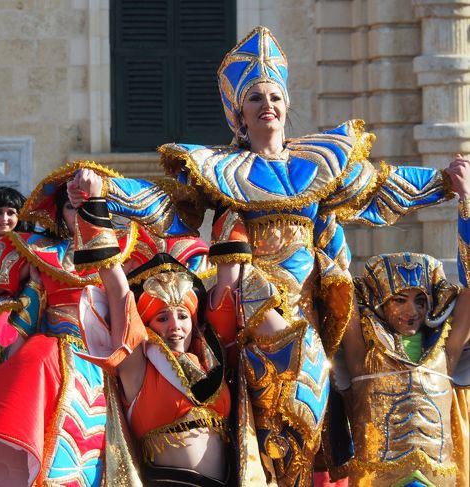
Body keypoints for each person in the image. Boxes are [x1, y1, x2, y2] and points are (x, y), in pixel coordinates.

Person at [122, 25, 462, 487]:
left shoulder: (320, 164)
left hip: (311, 308)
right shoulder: (220, 171)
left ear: (286, 106)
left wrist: (444, 181)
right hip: (254, 309)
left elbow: (384, 184)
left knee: (305, 424)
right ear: (239, 113)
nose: (268, 105)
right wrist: (104, 190)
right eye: (256, 98)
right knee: (288, 394)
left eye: (275, 96)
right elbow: (160, 200)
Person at [0, 162, 145, 487]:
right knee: (44, 442)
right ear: (60, 214)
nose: (77, 214)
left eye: (85, 206)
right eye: (71, 207)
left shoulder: (121, 251)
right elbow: (1, 306)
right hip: (50, 360)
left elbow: (125, 305)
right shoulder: (40, 254)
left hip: (103, 360)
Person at [68, 168, 232, 486]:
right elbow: (117, 290)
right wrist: (94, 203)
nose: (175, 325)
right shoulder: (139, 366)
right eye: (162, 317)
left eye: (182, 316)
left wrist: (227, 197)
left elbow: (228, 287)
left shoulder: (214, 361)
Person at [331, 159, 470, 486]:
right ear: (380, 304)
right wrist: (326, 214)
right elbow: (337, 284)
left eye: (420, 301)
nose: (413, 311)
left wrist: (466, 203)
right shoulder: (361, 357)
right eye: (399, 299)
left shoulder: (444, 354)